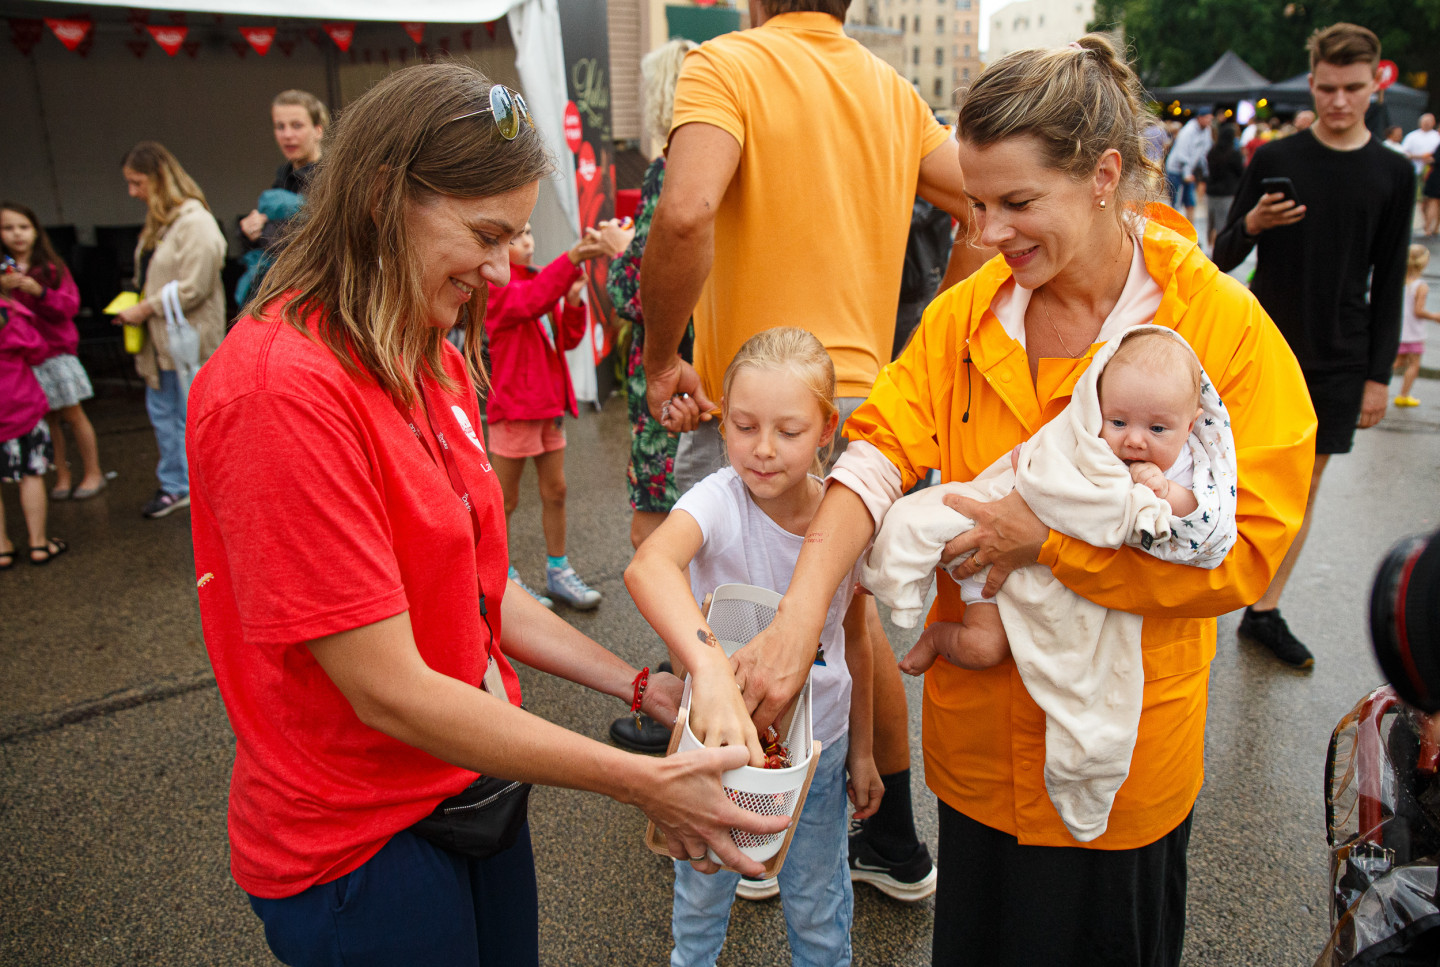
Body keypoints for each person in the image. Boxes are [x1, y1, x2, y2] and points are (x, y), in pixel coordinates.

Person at [730, 35, 1315, 966]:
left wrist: (1046, 542)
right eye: (975, 203)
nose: (989, 232)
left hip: (1117, 769)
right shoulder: (968, 315)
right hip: (978, 759)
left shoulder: (1218, 326)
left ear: (1104, 176)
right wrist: (799, 622)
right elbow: (877, 453)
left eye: (1017, 203)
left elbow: (1247, 549)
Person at [188, 63, 786, 967]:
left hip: (470, 780)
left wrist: (641, 685)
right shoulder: (279, 392)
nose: (504, 268)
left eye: (515, 235)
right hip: (359, 842)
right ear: (383, 198)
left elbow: (476, 586)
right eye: (485, 234)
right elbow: (387, 687)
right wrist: (643, 781)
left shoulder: (421, 342)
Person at [638, 0, 989, 903]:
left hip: (754, 402)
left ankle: (754, 812)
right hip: (859, 398)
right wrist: (929, 344)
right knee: (848, 618)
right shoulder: (892, 88)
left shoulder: (725, 63)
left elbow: (685, 212)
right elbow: (984, 209)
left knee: (729, 599)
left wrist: (660, 356)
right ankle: (893, 838)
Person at [626, 327, 881, 966]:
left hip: (818, 748)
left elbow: (856, 640)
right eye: (743, 427)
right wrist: (710, 671)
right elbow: (649, 565)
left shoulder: (845, 521)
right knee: (700, 894)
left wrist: (864, 751)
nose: (763, 449)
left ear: (826, 429)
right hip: (713, 745)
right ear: (723, 426)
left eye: (788, 432)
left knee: (819, 904)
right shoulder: (718, 500)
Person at [1214, 23, 1414, 669]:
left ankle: (1263, 609)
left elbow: (1390, 279)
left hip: (1341, 354)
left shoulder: (1394, 171)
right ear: (1312, 83)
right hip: (1263, 348)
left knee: (1303, 486)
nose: (1339, 101)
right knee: (1229, 475)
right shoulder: (1276, 158)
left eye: (1352, 88)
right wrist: (1253, 221)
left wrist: (1378, 376)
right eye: (1327, 88)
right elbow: (1221, 255)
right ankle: (1201, 592)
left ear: (1375, 83)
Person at [891, 329, 1223, 677]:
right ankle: (934, 638)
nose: (1135, 440)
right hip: (993, 565)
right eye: (1118, 422)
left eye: (1157, 429)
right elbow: (1048, 467)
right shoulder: (1090, 445)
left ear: (1190, 425)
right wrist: (1034, 470)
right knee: (982, 647)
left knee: (1068, 662)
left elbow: (1202, 519)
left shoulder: (1187, 466)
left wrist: (1165, 491)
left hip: (1075, 589)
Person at [605, 38, 699, 755]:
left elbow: (634, 288)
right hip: (712, 363)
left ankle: (689, 697)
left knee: (659, 541)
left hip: (668, 377)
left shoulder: (674, 167)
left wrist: (617, 254)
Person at [484, 219, 624, 609]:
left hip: (548, 408)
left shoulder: (539, 280)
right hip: (514, 410)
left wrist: (574, 303)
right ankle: (503, 578)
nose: (527, 241)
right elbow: (532, 301)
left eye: (529, 232)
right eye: (515, 237)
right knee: (504, 500)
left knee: (556, 491)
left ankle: (558, 571)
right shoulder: (494, 291)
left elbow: (568, 339)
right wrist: (573, 257)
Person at [113, 141, 227, 519]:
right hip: (160, 343)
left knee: (190, 416)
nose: (132, 192)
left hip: (187, 342)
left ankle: (200, 486)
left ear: (160, 178)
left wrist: (145, 307)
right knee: (165, 414)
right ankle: (177, 483)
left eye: (137, 182)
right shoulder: (161, 221)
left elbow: (196, 285)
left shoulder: (195, 221)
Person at [0, 202, 107, 500]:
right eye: (8, 228)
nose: (17, 234)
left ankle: (93, 472)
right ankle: (62, 474)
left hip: (56, 355)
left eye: (23, 227)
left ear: (36, 231)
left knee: (73, 414)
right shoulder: (3, 272)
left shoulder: (50, 268)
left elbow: (70, 307)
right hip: (24, 361)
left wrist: (39, 291)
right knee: (48, 420)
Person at [236, 90, 328, 305]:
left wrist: (265, 229)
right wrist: (249, 230)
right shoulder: (283, 177)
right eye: (280, 126)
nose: (287, 135)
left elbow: (315, 239)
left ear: (318, 130)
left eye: (297, 125)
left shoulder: (329, 178)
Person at [0, 296, 66, 566]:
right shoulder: (9, 314)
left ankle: (2, 548)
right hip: (18, 405)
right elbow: (38, 350)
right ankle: (38, 543)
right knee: (31, 474)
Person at [1394, 244, 1440, 406]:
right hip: (1413, 332)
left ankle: (1370, 384)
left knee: (1398, 362)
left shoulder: (1400, 281)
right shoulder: (1421, 286)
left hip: (1399, 329)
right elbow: (1418, 311)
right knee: (1414, 364)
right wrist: (1434, 316)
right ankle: (1403, 395)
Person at [1163, 106, 1213, 222]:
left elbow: (1204, 152)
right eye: (1207, 118)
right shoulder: (1188, 131)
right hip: (1176, 170)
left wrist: (1205, 171)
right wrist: (1186, 174)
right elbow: (1182, 154)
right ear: (1200, 118)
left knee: (1190, 202)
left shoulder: (1206, 131)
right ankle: (1174, 227)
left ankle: (1191, 229)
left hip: (1189, 171)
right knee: (1176, 202)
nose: (1209, 121)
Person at [1203, 122, 1243, 251]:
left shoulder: (1212, 152)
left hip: (1211, 192)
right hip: (1227, 193)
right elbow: (1241, 172)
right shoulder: (1234, 154)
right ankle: (1219, 249)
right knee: (1223, 223)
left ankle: (1209, 247)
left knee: (1211, 222)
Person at [1402, 115, 1440, 237]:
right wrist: (1419, 157)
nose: (1427, 124)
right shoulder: (1412, 136)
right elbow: (1404, 152)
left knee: (1431, 201)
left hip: (1432, 173)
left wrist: (1429, 159)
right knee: (1421, 200)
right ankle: (1428, 225)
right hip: (1417, 171)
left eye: (1429, 122)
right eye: (1425, 122)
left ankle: (1430, 226)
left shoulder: (1436, 137)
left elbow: (1434, 157)